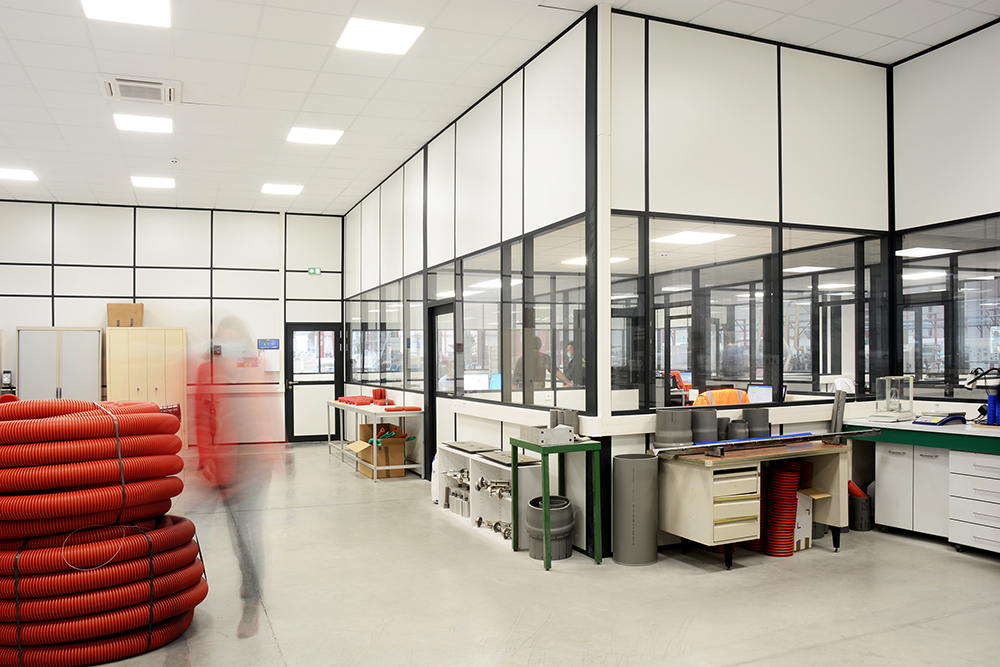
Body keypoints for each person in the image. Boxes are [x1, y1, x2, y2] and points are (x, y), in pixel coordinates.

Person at [192, 316, 282, 639]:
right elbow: (201, 418)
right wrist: (205, 459)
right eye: (224, 339)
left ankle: (251, 599)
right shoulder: (207, 371)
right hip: (227, 469)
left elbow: (272, 407)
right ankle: (250, 585)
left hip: (257, 465)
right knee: (238, 536)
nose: (229, 345)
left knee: (250, 532)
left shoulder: (257, 365)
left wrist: (281, 446)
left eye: (235, 339)